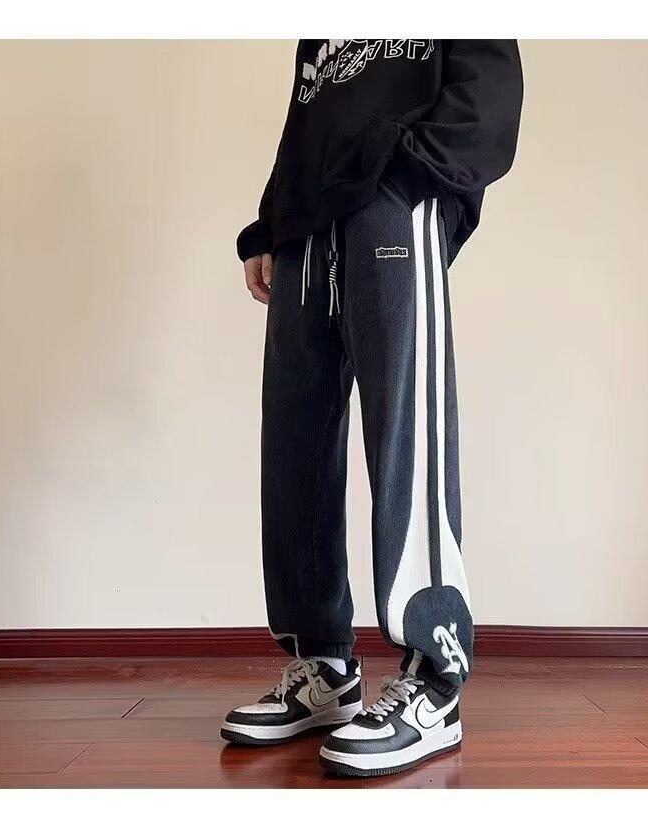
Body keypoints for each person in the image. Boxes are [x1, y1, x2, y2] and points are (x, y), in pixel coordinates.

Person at [221, 39, 523, 777]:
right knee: (294, 441)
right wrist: (270, 223)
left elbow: (489, 88)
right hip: (304, 226)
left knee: (406, 428)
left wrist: (410, 179)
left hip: (394, 201)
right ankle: (324, 665)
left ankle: (434, 678)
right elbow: (308, 116)